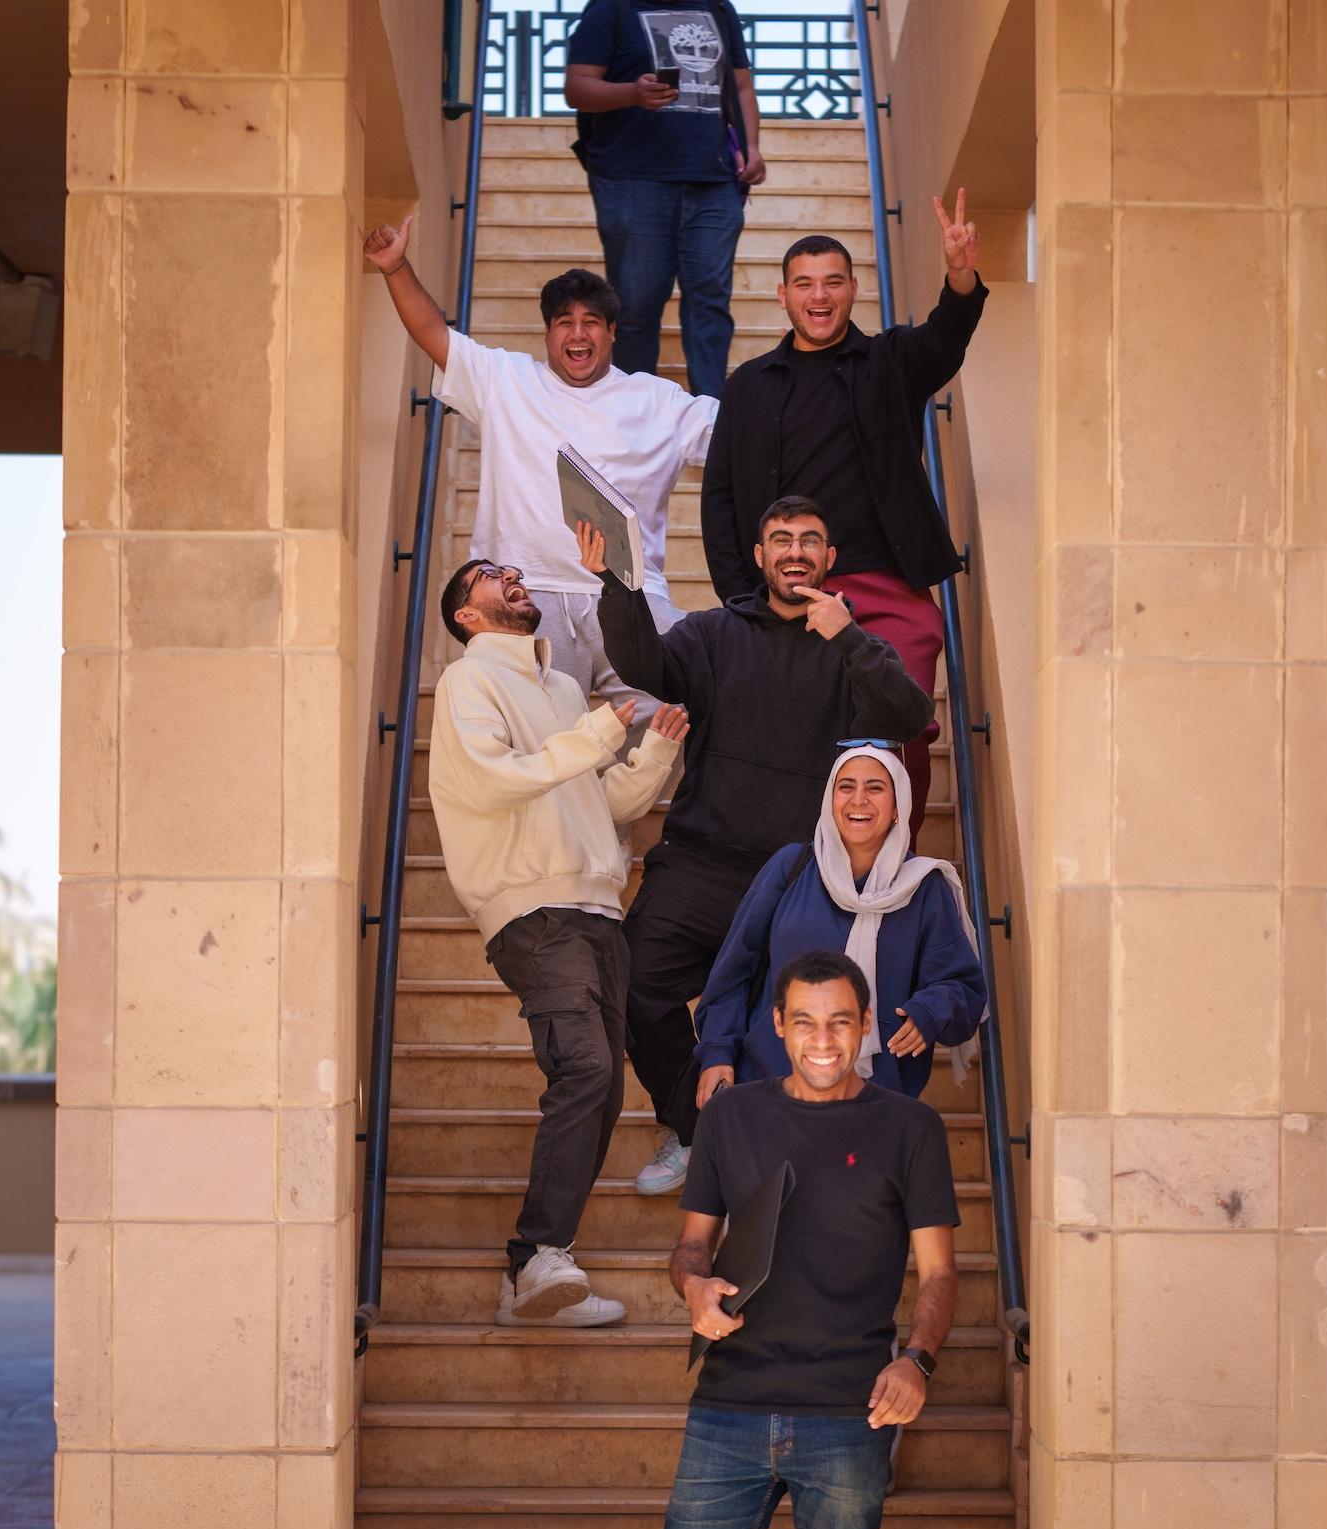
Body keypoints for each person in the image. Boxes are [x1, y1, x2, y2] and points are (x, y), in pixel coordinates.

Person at [584, 498, 933, 1194]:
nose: (795, 550)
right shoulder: (714, 633)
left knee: (797, 1019)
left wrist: (850, 639)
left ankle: (783, 1157)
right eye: (780, 539)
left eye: (811, 539)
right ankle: (696, 1126)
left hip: (802, 881)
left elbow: (912, 715)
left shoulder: (851, 648)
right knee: (633, 981)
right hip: (702, 861)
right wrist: (617, 585)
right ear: (759, 556)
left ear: (830, 561)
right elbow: (647, 664)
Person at [652, 948, 958, 1529]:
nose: (824, 1040)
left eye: (840, 1022)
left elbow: (941, 1273)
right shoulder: (731, 1115)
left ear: (864, 1029)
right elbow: (692, 1245)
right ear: (779, 1027)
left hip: (848, 1415)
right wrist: (693, 1286)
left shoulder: (911, 1127)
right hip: (727, 1408)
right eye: (805, 1022)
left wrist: (916, 1361)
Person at [426, 551, 688, 1326]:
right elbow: (493, 778)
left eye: (512, 568)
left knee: (600, 1086)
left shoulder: (565, 687)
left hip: (599, 907)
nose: (511, 574)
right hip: (534, 912)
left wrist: (657, 750)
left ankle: (530, 1274)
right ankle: (540, 1255)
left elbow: (599, 802)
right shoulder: (467, 681)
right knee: (587, 1066)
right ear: (466, 615)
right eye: (486, 574)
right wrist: (601, 730)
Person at [701, 194, 988, 824]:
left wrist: (960, 275)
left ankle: (892, 874)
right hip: (787, 594)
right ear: (782, 296)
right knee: (795, 740)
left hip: (885, 587)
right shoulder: (748, 384)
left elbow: (947, 336)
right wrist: (739, 596)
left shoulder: (890, 361)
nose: (819, 296)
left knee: (899, 723)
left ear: (854, 289)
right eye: (804, 284)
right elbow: (719, 492)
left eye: (833, 281)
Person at [364, 214, 715, 719]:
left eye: (591, 322)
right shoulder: (506, 379)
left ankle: (613, 802)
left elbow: (744, 433)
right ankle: (572, 798)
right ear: (548, 333)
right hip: (525, 596)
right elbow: (432, 333)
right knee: (533, 738)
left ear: (612, 332)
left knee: (683, 706)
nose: (578, 333)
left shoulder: (658, 400)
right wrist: (395, 267)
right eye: (564, 322)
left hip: (630, 595)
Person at [694, 744, 984, 1107]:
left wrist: (929, 1011)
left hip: (874, 1102)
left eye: (875, 788)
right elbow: (734, 969)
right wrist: (717, 1052)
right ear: (830, 801)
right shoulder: (790, 867)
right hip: (771, 1087)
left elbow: (962, 987)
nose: (858, 799)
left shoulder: (925, 887)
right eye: (845, 787)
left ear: (898, 808)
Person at [564, 0, 766, 397]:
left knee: (710, 304)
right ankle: (633, 416)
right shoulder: (611, 9)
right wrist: (633, 93)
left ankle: (712, 417)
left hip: (714, 180)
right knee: (635, 309)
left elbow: (740, 85)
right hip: (632, 178)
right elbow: (578, 87)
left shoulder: (718, 9)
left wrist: (751, 146)